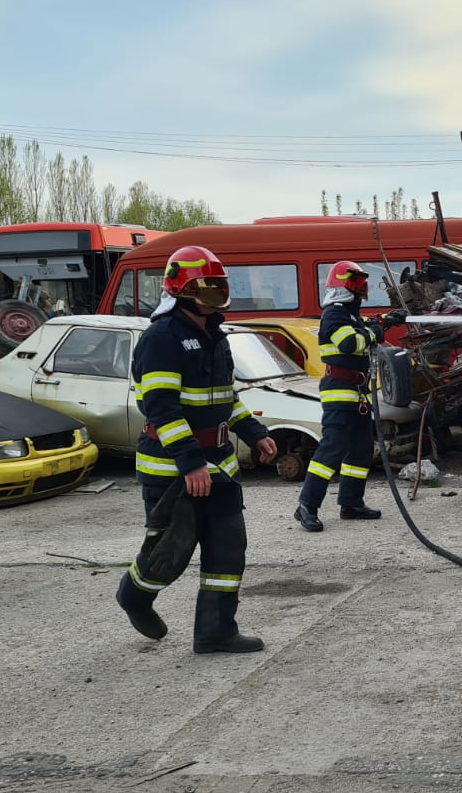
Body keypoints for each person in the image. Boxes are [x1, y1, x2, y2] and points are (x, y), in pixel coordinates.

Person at [115, 245, 277, 654]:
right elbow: (161, 408)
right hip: (173, 469)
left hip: (219, 466)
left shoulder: (214, 336)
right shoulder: (161, 338)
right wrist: (189, 463)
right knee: (171, 551)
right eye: (206, 285)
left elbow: (226, 398)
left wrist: (255, 432)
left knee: (228, 548)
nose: (216, 291)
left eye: (219, 284)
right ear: (181, 288)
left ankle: (215, 631)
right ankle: (134, 595)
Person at [294, 261, 404, 531]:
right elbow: (350, 343)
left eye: (362, 284)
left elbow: (364, 328)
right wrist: (376, 331)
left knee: (361, 449)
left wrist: (385, 321)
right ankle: (306, 506)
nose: (361, 289)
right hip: (339, 392)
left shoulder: (350, 315)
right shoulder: (334, 314)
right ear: (345, 286)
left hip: (357, 393)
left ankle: (351, 503)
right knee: (331, 449)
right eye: (357, 284)